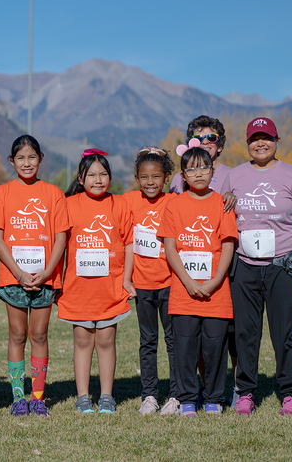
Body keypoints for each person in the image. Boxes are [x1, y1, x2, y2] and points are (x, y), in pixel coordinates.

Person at [221, 117, 292, 416]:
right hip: (244, 267)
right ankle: (246, 391)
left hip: (283, 266)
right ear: (247, 143)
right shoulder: (234, 176)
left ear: (276, 141)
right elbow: (222, 217)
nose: (260, 143)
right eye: (254, 138)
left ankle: (289, 392)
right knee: (245, 334)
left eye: (267, 138)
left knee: (283, 333)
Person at [0, 135, 68, 417]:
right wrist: (19, 272)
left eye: (32, 157)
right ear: (12, 161)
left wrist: (47, 272)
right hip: (15, 277)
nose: (26, 163)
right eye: (20, 158)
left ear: (41, 159)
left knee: (39, 334)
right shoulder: (2, 193)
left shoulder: (53, 193)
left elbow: (61, 237)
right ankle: (18, 398)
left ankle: (38, 397)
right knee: (17, 334)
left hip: (45, 278)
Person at [159, 147, 237, 417]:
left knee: (215, 347)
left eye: (204, 167)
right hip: (183, 292)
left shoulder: (222, 204)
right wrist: (189, 282)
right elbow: (170, 249)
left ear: (213, 172)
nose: (199, 173)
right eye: (191, 168)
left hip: (217, 293)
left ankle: (214, 397)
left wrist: (216, 280)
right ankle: (188, 398)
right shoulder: (174, 204)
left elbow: (228, 245)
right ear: (183, 175)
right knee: (185, 348)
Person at [59, 149, 133, 415]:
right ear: (80, 178)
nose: (98, 179)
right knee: (82, 341)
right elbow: (59, 247)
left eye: (103, 174)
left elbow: (129, 244)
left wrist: (126, 279)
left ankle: (106, 396)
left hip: (109, 288)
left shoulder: (121, 204)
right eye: (91, 175)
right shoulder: (68, 205)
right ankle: (82, 396)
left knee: (106, 340)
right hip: (79, 290)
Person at [121, 147, 180, 415]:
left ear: (166, 177)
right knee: (148, 341)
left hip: (170, 283)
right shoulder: (129, 200)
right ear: (136, 179)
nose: (150, 182)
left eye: (156, 176)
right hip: (142, 285)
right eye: (144, 177)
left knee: (173, 340)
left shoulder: (174, 202)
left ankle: (176, 395)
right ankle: (149, 396)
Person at [170, 115, 232, 194]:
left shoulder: (232, 175)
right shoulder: (179, 178)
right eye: (199, 138)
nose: (205, 142)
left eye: (212, 138)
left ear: (220, 146)